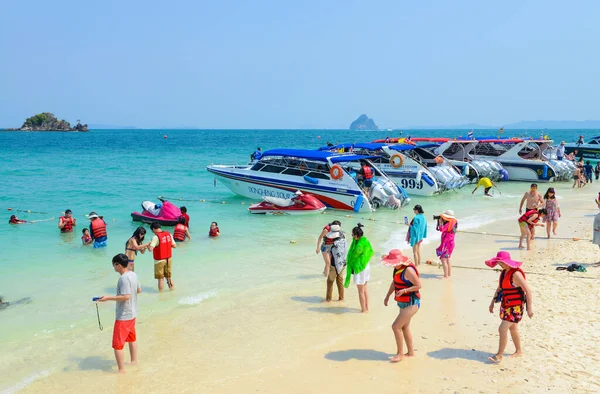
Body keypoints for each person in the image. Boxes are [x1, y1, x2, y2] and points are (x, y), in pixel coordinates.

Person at [486, 251, 533, 364]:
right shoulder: (504, 273)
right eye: (499, 263)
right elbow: (500, 289)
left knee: (502, 328)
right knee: (513, 328)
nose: (501, 265)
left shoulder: (516, 274)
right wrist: (492, 302)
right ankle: (519, 351)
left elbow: (528, 290)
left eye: (502, 263)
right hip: (506, 305)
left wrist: (529, 309)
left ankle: (499, 355)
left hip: (515, 307)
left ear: (508, 262)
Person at [98, 253, 142, 373]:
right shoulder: (133, 274)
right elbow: (138, 290)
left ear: (118, 265)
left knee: (118, 344)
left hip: (124, 316)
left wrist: (108, 298)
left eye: (114, 265)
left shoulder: (123, 278)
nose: (113, 268)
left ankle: (121, 370)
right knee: (132, 339)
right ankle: (134, 361)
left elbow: (126, 296)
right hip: (133, 313)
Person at [382, 249, 422, 363]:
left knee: (396, 326)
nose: (393, 265)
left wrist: (405, 290)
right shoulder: (397, 269)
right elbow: (395, 282)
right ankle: (410, 352)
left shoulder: (408, 270)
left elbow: (418, 285)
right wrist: (387, 296)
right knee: (404, 327)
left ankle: (400, 354)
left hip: (412, 302)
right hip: (402, 302)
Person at [344, 223, 373, 313]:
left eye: (353, 235)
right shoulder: (365, 240)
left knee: (360, 291)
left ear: (356, 235)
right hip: (366, 265)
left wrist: (348, 263)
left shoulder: (359, 245)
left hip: (360, 268)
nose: (352, 237)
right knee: (365, 288)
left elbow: (354, 256)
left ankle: (363, 310)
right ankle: (367, 307)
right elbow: (370, 252)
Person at [148, 222, 177, 291]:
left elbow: (150, 249)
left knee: (160, 279)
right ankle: (172, 290)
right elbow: (174, 246)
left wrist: (148, 245)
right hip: (168, 259)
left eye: (152, 231)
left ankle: (161, 295)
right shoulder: (168, 234)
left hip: (159, 260)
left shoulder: (155, 237)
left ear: (154, 229)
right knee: (169, 277)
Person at [324, 223, 346, 302]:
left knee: (330, 282)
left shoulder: (333, 244)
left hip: (335, 265)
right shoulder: (343, 239)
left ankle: (328, 300)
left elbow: (331, 255)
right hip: (343, 264)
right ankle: (341, 298)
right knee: (340, 281)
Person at [435, 210, 457, 278]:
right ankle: (449, 274)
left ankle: (446, 276)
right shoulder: (453, 222)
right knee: (447, 259)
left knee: (443, 259)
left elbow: (441, 229)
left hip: (446, 244)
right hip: (450, 243)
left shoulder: (449, 223)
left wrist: (441, 222)